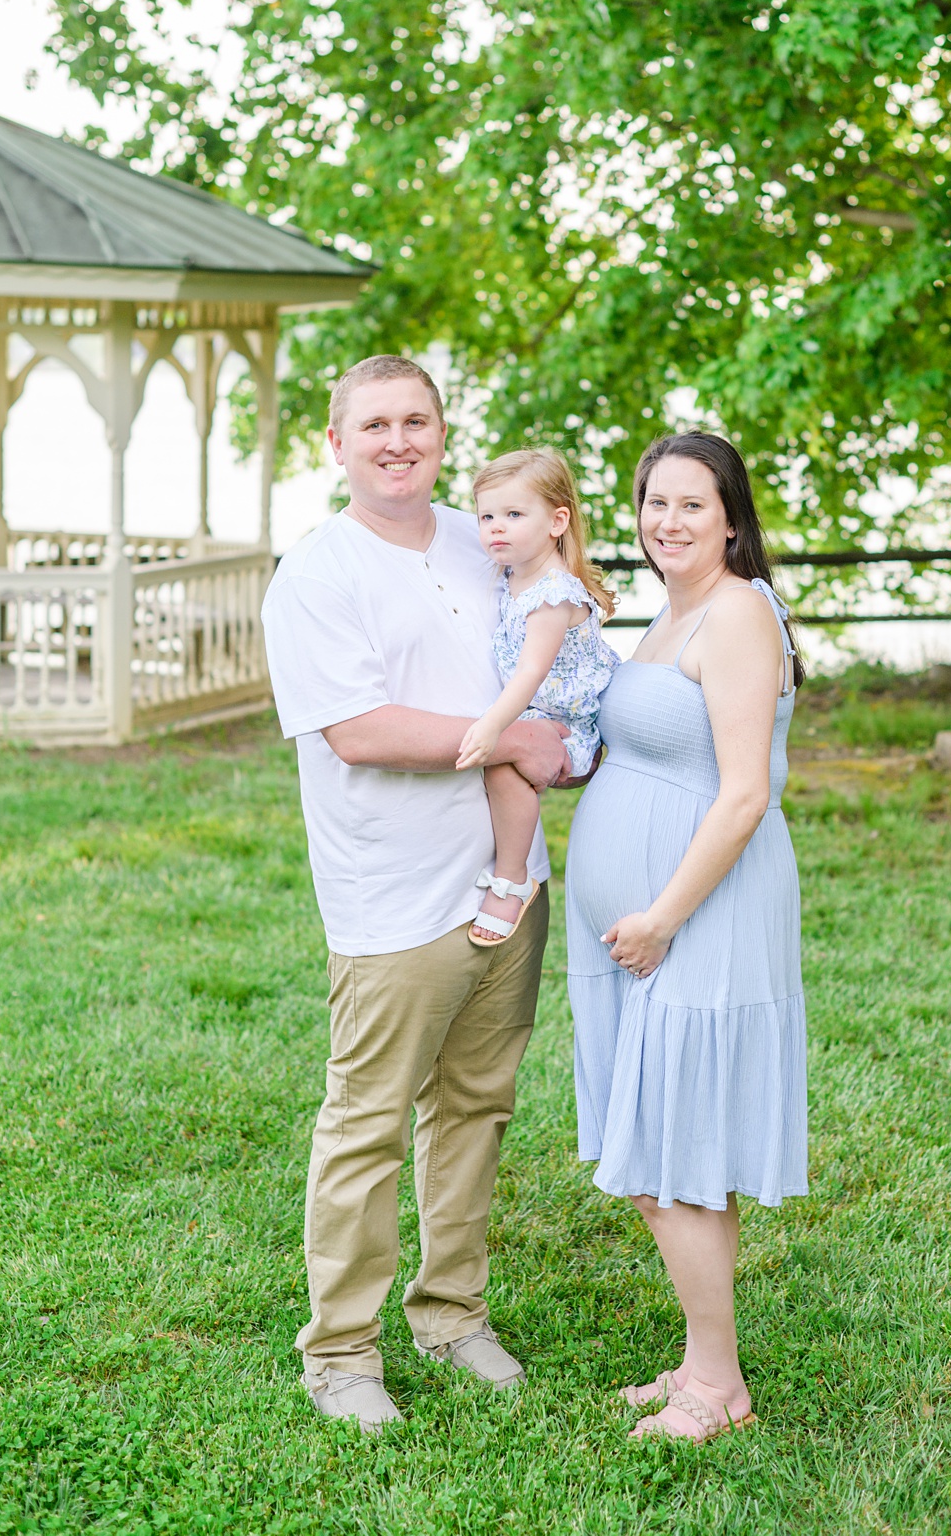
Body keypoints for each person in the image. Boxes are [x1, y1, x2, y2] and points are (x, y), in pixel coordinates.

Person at [260, 355, 574, 1430]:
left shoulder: (478, 536)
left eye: (417, 422)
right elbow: (360, 729)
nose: (398, 440)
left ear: (443, 433)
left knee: (477, 1108)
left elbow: (546, 637)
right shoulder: (316, 572)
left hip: (509, 881)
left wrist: (570, 731)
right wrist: (514, 737)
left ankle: (451, 1314)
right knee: (367, 1123)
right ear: (335, 444)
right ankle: (341, 1352)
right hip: (393, 900)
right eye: (375, 425)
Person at [566, 431, 808, 1444]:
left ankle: (718, 1383)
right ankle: (699, 1359)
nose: (667, 521)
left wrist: (662, 915)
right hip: (637, 929)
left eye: (691, 505)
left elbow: (745, 792)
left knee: (680, 1151)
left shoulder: (742, 613)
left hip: (700, 917)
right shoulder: (673, 614)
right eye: (653, 502)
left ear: (732, 516)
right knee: (658, 1147)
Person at [455, 448, 619, 944]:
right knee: (502, 759)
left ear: (557, 520)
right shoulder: (510, 575)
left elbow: (531, 671)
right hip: (535, 711)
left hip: (567, 724)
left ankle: (511, 880)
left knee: (502, 765)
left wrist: (492, 727)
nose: (495, 528)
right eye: (486, 516)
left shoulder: (553, 593)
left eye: (513, 515)